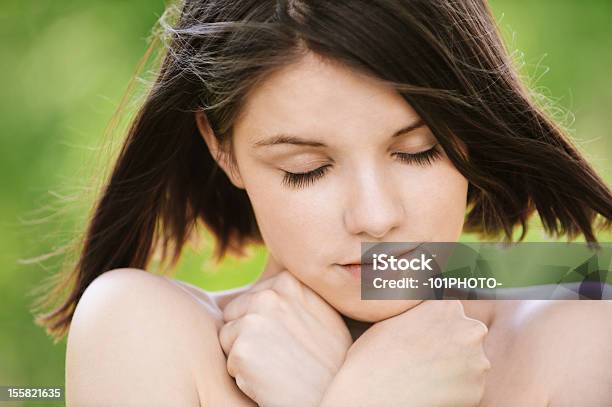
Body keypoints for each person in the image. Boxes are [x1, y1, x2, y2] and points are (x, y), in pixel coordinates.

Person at [36, 0, 612, 405]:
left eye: (418, 152)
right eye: (306, 169)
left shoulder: (581, 330)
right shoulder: (144, 330)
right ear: (222, 149)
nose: (375, 215)